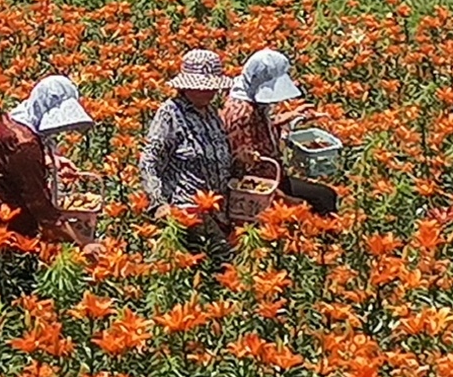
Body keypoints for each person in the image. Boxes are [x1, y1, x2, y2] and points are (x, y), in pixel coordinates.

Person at [0, 75, 93, 293]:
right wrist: (82, 242)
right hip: (5, 231)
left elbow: (9, 164)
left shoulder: (15, 120)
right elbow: (41, 208)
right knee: (11, 295)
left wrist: (48, 161)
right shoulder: (24, 143)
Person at [222, 48, 339, 219]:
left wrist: (293, 118)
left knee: (325, 195)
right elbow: (246, 165)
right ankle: (322, 237)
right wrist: (280, 198)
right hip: (262, 185)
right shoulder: (242, 113)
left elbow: (260, 132)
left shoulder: (249, 99)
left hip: (273, 175)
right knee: (324, 197)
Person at [140, 48, 238, 252]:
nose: (210, 92)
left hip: (217, 209)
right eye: (203, 87)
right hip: (186, 208)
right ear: (185, 87)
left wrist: (240, 159)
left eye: (212, 87)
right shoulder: (170, 114)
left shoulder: (211, 112)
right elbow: (149, 161)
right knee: (223, 259)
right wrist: (158, 203)